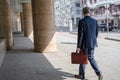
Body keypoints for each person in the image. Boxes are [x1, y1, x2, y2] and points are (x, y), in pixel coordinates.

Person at [75, 7, 103, 80]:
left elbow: (80, 35)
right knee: (91, 58)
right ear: (89, 12)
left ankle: (81, 75)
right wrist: (93, 41)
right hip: (92, 44)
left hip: (84, 45)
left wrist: (78, 46)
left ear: (83, 12)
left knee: (82, 59)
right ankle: (99, 73)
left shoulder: (81, 21)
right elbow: (96, 33)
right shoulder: (94, 21)